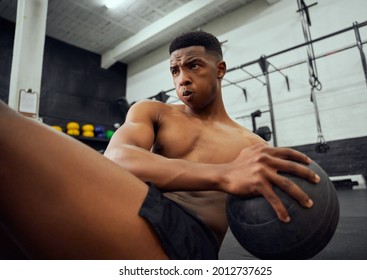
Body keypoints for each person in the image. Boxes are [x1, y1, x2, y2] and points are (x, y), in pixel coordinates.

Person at [0, 31, 318, 260]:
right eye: (175, 70)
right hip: (132, 213)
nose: (182, 78)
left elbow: (284, 211)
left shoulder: (252, 145)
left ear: (219, 69)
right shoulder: (153, 111)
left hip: (188, 244)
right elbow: (119, 159)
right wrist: (223, 174)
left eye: (193, 65)